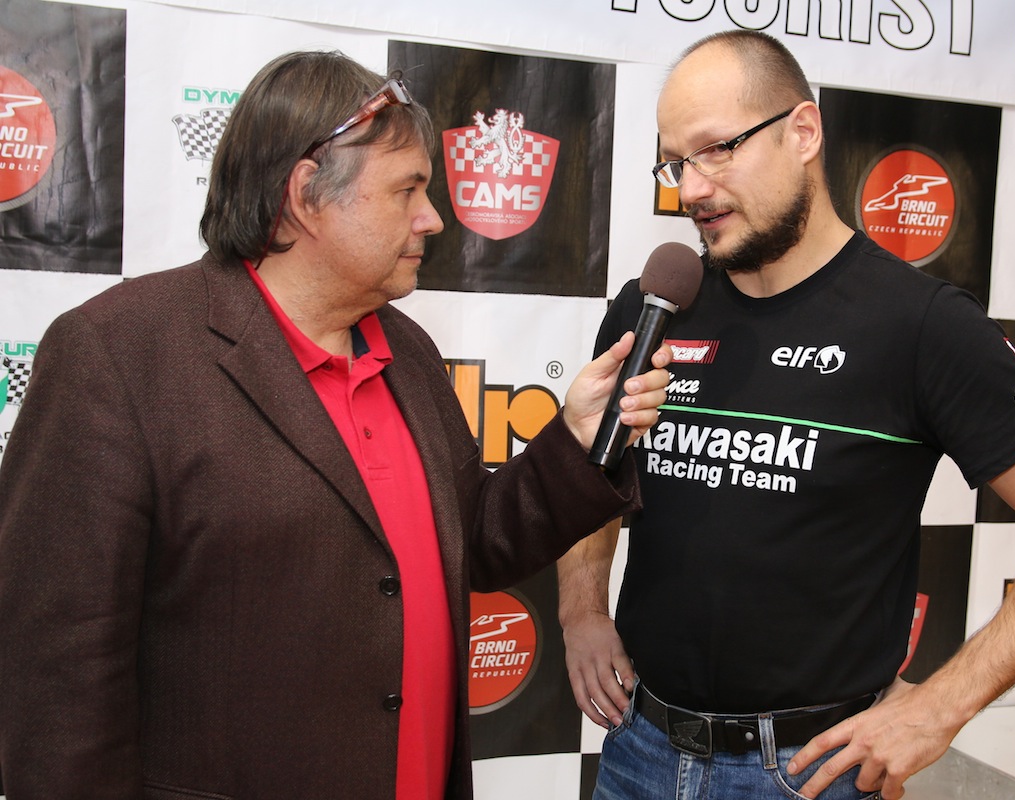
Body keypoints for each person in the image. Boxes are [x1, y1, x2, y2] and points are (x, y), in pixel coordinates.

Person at [0, 50, 672, 800]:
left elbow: (475, 543)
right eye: (407, 190)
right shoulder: (118, 354)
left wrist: (576, 439)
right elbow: (56, 678)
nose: (433, 217)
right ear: (305, 195)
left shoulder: (406, 351)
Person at [557, 30, 1015, 800]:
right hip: (639, 748)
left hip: (808, 773)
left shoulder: (921, 324)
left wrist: (941, 706)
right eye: (675, 163)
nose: (692, 188)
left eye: (717, 150)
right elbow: (593, 471)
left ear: (803, 132)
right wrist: (580, 608)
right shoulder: (654, 308)